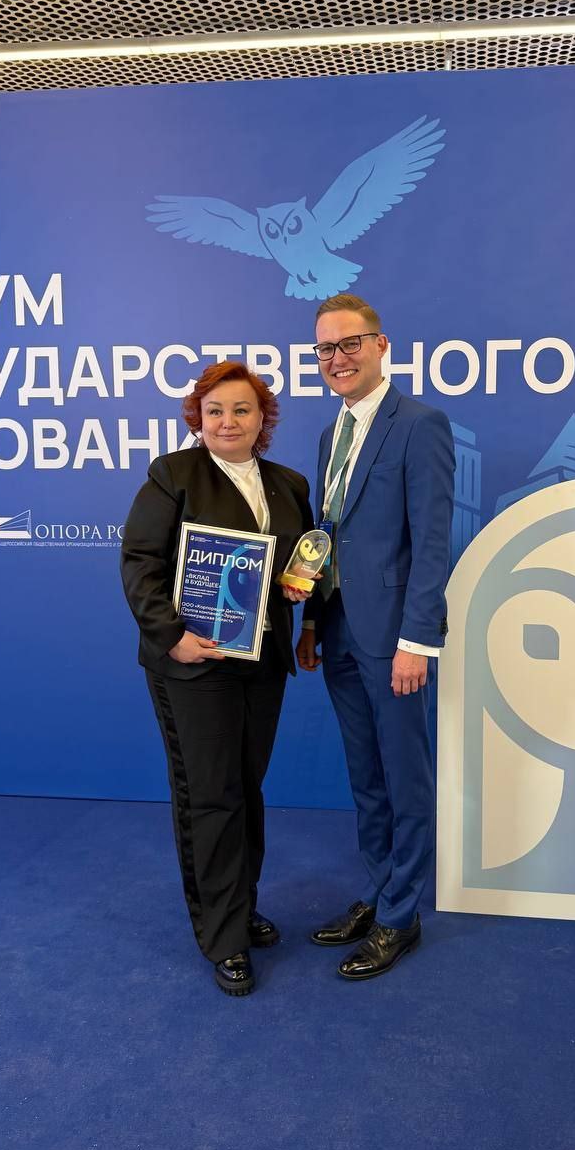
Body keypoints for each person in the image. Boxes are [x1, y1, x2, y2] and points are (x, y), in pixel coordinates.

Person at [121, 361, 312, 998]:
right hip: (193, 663)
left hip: (263, 662)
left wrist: (299, 593)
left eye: (241, 410)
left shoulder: (288, 484)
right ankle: (223, 937)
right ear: (198, 419)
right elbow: (140, 563)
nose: (228, 422)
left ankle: (241, 905)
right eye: (215, 411)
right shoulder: (173, 475)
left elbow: (298, 568)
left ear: (263, 419)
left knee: (246, 789)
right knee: (210, 794)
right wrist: (171, 635)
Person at [297, 294, 455, 980]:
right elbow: (324, 538)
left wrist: (418, 640)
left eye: (349, 344)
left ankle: (401, 916)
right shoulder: (330, 435)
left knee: (404, 777)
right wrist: (311, 621)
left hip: (393, 640)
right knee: (366, 777)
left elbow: (432, 542)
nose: (337, 359)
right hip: (337, 630)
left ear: (380, 345)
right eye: (325, 349)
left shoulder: (420, 425)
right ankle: (381, 888)